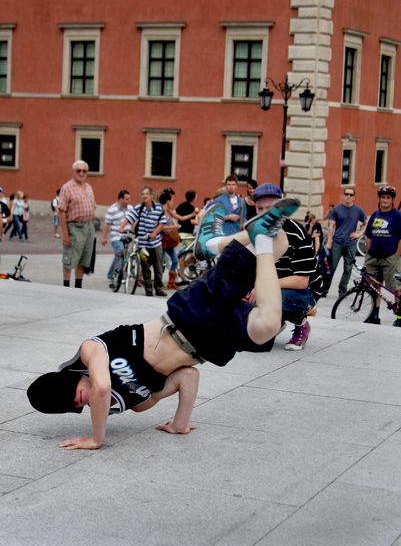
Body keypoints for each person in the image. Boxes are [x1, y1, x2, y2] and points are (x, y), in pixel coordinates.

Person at [27, 196, 299, 450]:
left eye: (69, 393)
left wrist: (96, 438)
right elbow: (187, 376)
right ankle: (232, 241)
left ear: (69, 378)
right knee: (268, 327)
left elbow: (101, 387)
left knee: (282, 242)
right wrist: (180, 423)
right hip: (210, 345)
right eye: (70, 406)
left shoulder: (90, 351)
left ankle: (212, 244)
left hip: (188, 316)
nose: (77, 401)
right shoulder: (132, 404)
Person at [245, 183, 323, 351]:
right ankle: (273, 321)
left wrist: (262, 288)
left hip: (303, 292)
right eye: (260, 208)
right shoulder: (254, 232)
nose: (265, 213)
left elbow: (302, 281)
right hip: (271, 286)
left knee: (279, 297)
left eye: (271, 207)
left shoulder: (296, 233)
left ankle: (302, 324)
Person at [119, 186, 167, 297]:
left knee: (158, 267)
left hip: (155, 243)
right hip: (143, 243)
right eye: (142, 194)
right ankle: (148, 289)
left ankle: (159, 288)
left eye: (146, 194)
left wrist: (155, 233)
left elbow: (162, 222)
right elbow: (129, 217)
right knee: (145, 267)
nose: (144, 196)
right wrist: (122, 227)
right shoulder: (139, 208)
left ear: (151, 196)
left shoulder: (158, 208)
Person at [363, 185, 401, 326]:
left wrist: (397, 254)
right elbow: (369, 235)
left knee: (396, 287)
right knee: (374, 287)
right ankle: (374, 315)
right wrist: (368, 252)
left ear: (392, 200)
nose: (385, 200)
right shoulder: (375, 215)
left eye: (388, 198)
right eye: (383, 197)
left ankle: (399, 317)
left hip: (390, 257)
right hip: (373, 257)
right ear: (379, 199)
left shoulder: (397, 216)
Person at [58, 160, 97, 289]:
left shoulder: (89, 187)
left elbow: (92, 208)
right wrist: (65, 233)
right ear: (73, 172)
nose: (81, 173)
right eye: (78, 170)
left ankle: (78, 286)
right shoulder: (67, 188)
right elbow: (62, 211)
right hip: (74, 227)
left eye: (84, 171)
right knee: (70, 259)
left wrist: (91, 226)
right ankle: (66, 286)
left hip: (88, 227)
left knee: (83, 258)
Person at [325, 188, 367, 297]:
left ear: (353, 197)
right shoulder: (337, 209)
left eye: (350, 194)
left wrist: (359, 234)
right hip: (337, 242)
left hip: (351, 244)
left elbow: (367, 223)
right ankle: (324, 289)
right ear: (343, 195)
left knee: (348, 268)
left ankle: (342, 290)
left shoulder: (358, 210)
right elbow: (331, 227)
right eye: (346, 194)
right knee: (331, 267)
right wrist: (329, 242)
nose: (348, 196)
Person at [101, 190, 133, 285]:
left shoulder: (130, 208)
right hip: (116, 237)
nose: (129, 201)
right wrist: (103, 237)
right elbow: (107, 224)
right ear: (120, 199)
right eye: (127, 199)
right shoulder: (112, 209)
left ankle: (111, 273)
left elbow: (134, 221)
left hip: (127, 236)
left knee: (121, 256)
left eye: (129, 198)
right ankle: (118, 275)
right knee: (121, 252)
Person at [159, 192, 182, 290]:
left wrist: (192, 214)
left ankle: (171, 282)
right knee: (160, 262)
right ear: (167, 201)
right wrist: (174, 226)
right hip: (162, 239)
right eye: (172, 201)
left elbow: (180, 218)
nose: (173, 203)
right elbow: (161, 227)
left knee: (175, 260)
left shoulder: (169, 211)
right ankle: (158, 282)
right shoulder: (160, 211)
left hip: (169, 240)